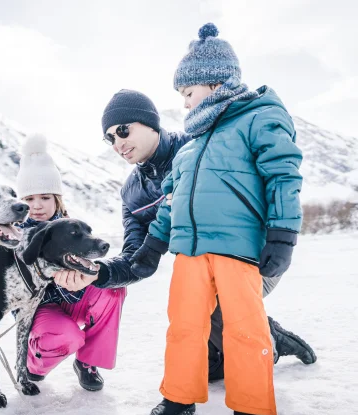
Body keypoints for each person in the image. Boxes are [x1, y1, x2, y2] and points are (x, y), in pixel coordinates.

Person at [134, 23, 305, 415]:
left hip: (238, 250)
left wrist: (282, 234)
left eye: (187, 92)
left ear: (214, 81)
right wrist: (153, 245)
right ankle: (180, 396)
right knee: (185, 327)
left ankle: (251, 407)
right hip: (190, 253)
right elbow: (171, 201)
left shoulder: (259, 117)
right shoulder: (190, 145)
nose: (184, 101)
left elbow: (283, 175)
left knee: (244, 329)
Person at [98, 93, 315, 381]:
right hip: (202, 271)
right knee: (196, 312)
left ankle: (269, 340)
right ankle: (231, 347)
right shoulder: (131, 194)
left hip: (256, 258)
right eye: (109, 138)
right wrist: (99, 273)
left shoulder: (197, 147)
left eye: (123, 130)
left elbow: (276, 175)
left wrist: (281, 237)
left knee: (209, 300)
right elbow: (136, 255)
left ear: (151, 123)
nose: (118, 143)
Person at [16, 135, 127, 391]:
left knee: (111, 290)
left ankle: (88, 362)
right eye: (29, 199)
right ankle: (35, 361)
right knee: (66, 337)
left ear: (57, 198)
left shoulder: (73, 228)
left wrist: (85, 278)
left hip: (72, 299)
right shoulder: (14, 235)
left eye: (44, 197)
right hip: (37, 309)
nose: (37, 206)